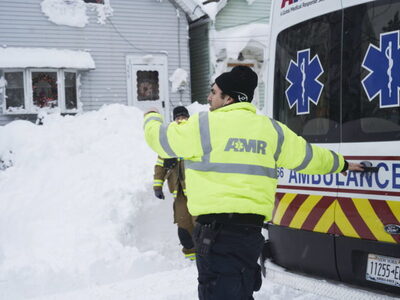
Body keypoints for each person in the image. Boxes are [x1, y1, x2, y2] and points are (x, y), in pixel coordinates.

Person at [143, 66, 363, 300]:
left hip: (216, 234)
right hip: (249, 234)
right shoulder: (271, 130)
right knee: (239, 289)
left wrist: (152, 117)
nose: (209, 97)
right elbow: (308, 157)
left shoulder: (203, 125)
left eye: (214, 92)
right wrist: (341, 164)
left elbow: (161, 140)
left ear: (229, 98)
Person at [152, 106, 196, 261]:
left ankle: (205, 254)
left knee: (199, 222)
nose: (181, 119)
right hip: (179, 191)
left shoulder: (195, 135)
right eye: (178, 117)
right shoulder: (169, 139)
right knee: (183, 223)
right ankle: (191, 255)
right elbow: (159, 164)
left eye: (184, 116)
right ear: (174, 119)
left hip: (197, 189)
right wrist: (157, 185)